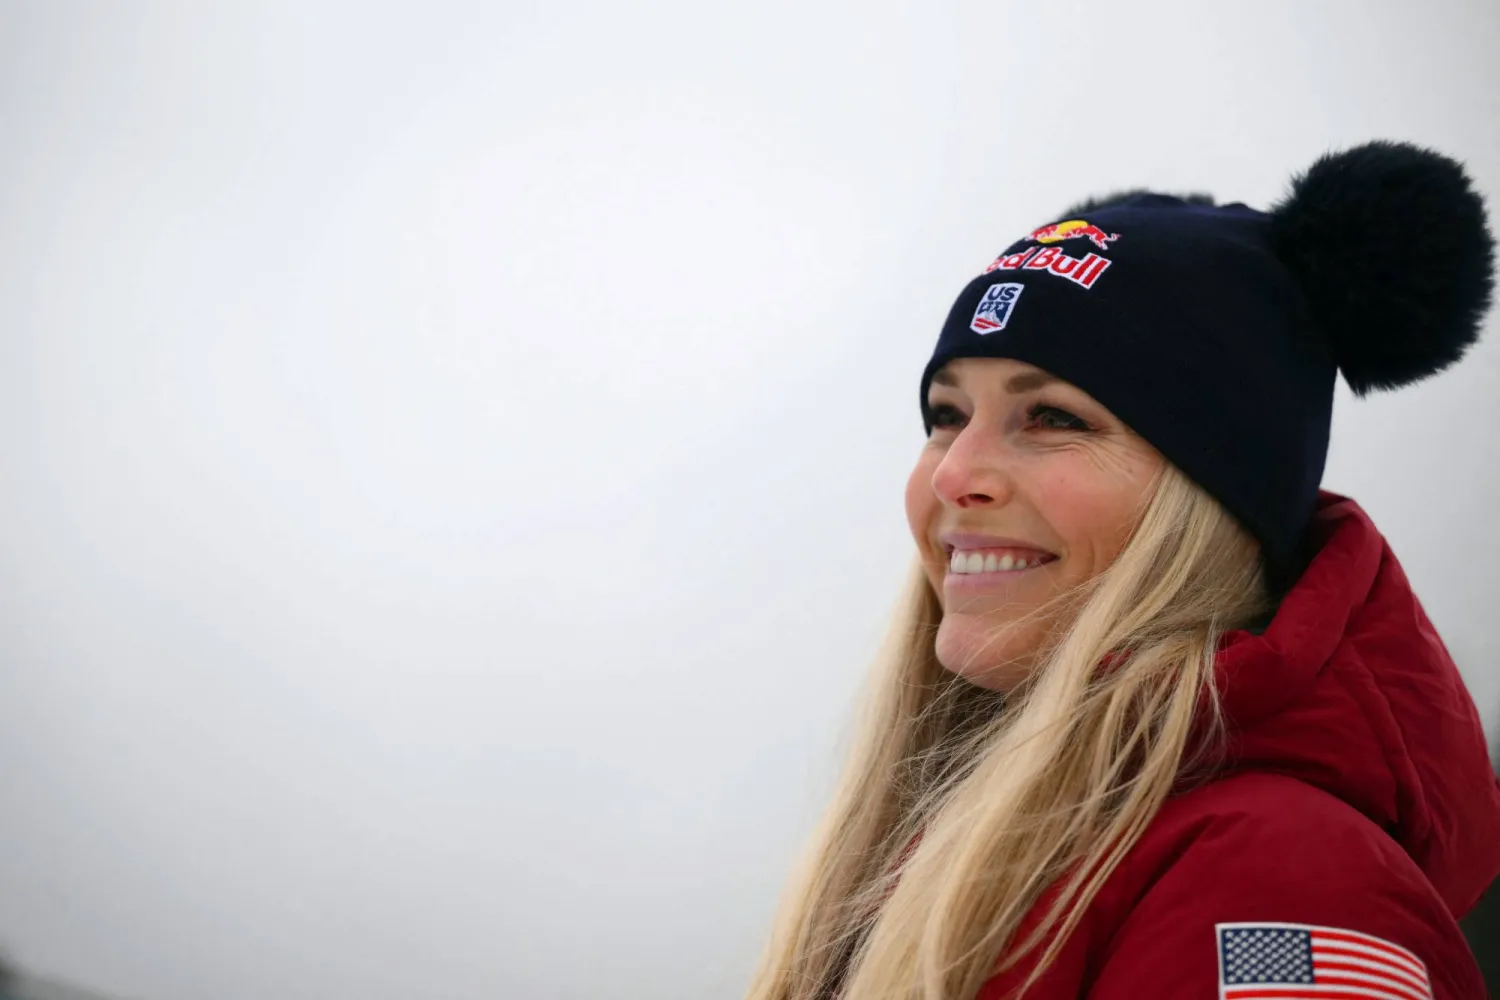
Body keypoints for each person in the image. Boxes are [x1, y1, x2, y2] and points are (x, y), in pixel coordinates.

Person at [743, 140, 1500, 1000]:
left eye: (1053, 417)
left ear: (1212, 497)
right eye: (947, 415)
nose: (953, 474)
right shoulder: (982, 844)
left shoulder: (1280, 882)